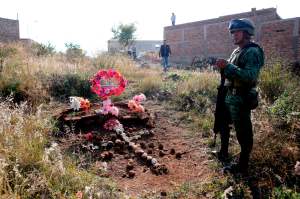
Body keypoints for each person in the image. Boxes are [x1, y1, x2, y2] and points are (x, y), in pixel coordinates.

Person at [214, 18, 264, 175]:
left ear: (247, 33)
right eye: (232, 32)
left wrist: (227, 66)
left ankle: (243, 166)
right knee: (222, 123)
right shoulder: (237, 50)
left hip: (241, 98)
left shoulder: (253, 51)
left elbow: (250, 76)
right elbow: (231, 72)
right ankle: (223, 152)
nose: (234, 35)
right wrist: (223, 67)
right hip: (229, 95)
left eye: (237, 32)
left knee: (243, 133)